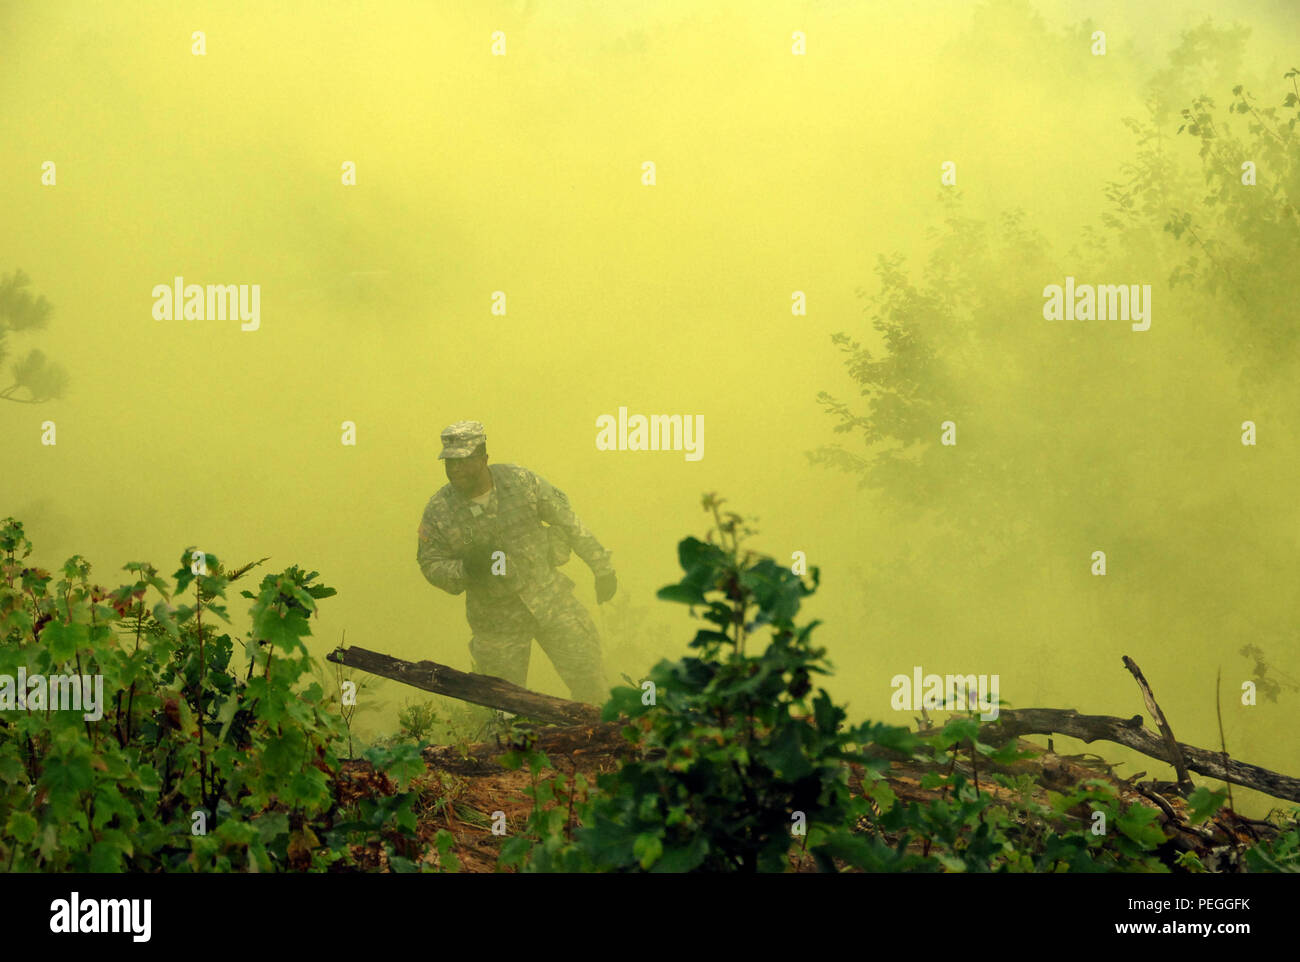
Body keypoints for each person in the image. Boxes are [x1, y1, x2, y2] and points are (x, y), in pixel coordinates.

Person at [416, 420, 617, 711]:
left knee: (593, 685)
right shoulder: (438, 510)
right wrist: (465, 569)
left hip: (552, 602)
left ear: (484, 458)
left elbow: (567, 522)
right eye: (450, 462)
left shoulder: (521, 482)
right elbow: (430, 563)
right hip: (497, 624)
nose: (455, 469)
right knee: (503, 709)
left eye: (464, 460)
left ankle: (606, 747)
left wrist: (602, 567)